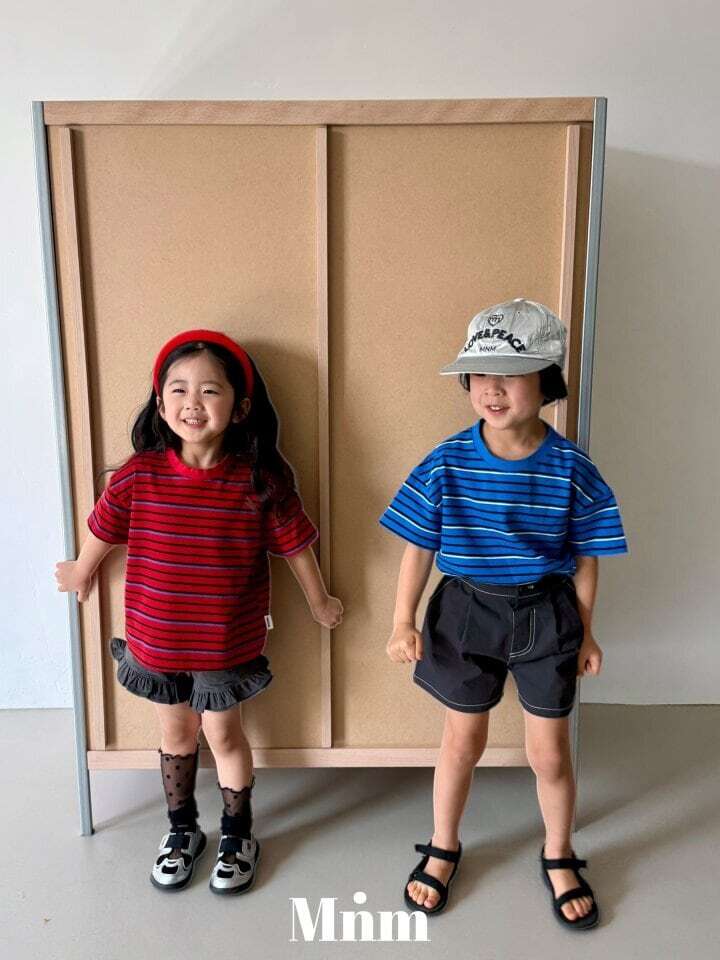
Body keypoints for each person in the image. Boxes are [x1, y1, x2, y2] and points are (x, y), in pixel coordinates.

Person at [55, 329, 343, 894]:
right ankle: (182, 828)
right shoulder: (139, 474)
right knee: (175, 730)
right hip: (154, 640)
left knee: (224, 734)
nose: (193, 402)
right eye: (179, 389)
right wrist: (83, 569)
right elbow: (105, 527)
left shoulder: (259, 480)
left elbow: (294, 547)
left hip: (224, 644)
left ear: (240, 408)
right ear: (160, 404)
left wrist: (319, 599)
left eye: (210, 390)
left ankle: (237, 835)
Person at [379, 299, 627, 931]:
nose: (492, 388)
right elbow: (419, 545)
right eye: (480, 373)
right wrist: (403, 619)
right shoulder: (446, 460)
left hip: (547, 613)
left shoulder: (572, 469)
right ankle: (443, 844)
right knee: (461, 740)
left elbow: (587, 558)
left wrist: (587, 632)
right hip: (465, 610)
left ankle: (558, 851)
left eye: (511, 374)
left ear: (547, 383)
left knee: (550, 753)